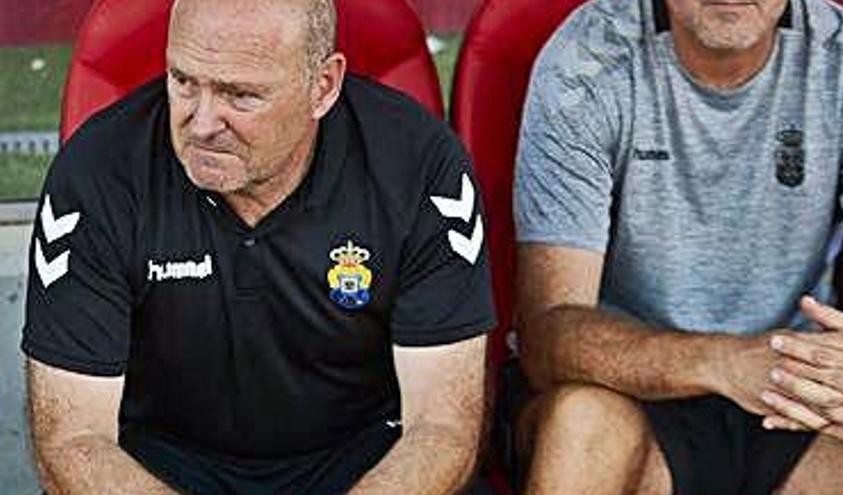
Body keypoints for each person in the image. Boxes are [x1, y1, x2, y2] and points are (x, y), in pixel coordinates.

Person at [21, 0, 495, 493]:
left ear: (323, 86)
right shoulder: (98, 171)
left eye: (240, 95)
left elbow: (441, 430)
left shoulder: (419, 167)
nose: (201, 123)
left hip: (363, 462)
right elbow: (74, 442)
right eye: (184, 81)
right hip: (158, 467)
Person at [513, 0, 843, 493]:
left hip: (799, 392)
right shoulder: (588, 64)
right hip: (627, 388)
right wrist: (725, 362)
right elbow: (547, 337)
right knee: (581, 420)